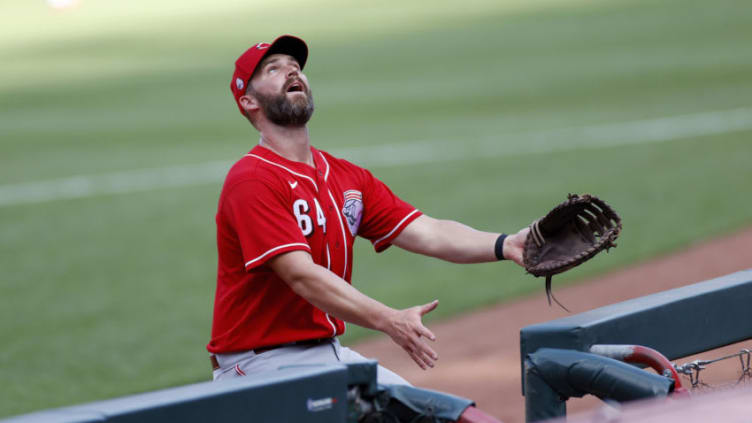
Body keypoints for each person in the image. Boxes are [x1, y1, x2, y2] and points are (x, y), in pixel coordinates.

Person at [208, 35, 529, 385]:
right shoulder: (252, 179)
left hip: (325, 353)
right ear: (249, 101)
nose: (290, 72)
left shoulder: (345, 177)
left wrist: (506, 244)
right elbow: (301, 274)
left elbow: (428, 231)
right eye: (274, 68)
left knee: (432, 413)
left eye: (295, 67)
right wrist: (388, 318)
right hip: (261, 366)